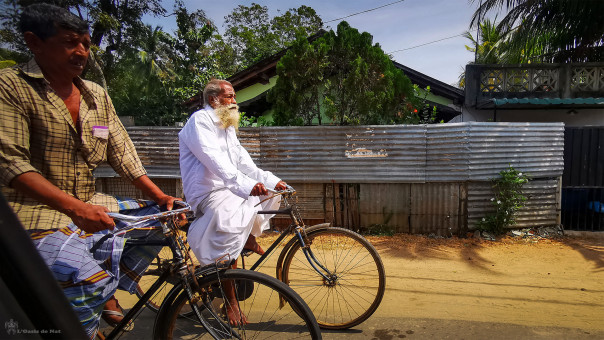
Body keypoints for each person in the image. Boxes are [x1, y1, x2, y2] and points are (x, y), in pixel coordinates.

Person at [0, 4, 180, 338]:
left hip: (87, 200)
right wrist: (76, 209)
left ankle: (105, 292)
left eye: (85, 42)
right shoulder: (10, 86)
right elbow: (11, 164)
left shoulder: (95, 94)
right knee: (87, 281)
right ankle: (82, 312)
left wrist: (159, 196)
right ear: (34, 42)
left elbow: (121, 152)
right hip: (31, 213)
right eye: (71, 42)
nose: (82, 51)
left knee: (161, 220)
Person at [179, 79, 287, 323]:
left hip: (230, 187)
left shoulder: (227, 126)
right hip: (207, 192)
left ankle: (247, 238)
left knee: (269, 194)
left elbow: (243, 162)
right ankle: (231, 302)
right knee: (228, 222)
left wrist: (271, 180)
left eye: (234, 96)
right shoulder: (200, 121)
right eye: (229, 97)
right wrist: (247, 186)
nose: (234, 101)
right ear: (213, 100)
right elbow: (215, 161)